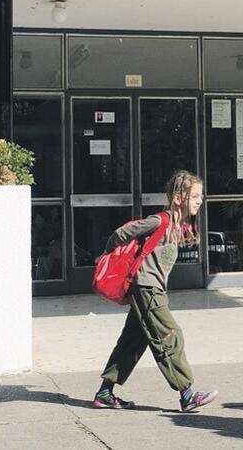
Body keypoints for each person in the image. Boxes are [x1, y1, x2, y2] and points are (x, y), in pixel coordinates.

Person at [93, 170, 217, 413]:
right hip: (146, 288)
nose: (199, 201)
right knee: (170, 335)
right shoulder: (160, 220)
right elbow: (121, 233)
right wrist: (108, 257)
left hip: (151, 288)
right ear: (178, 197)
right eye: (194, 196)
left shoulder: (178, 226)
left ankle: (105, 393)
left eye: (200, 196)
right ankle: (187, 394)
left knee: (132, 342)